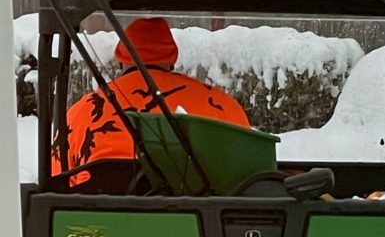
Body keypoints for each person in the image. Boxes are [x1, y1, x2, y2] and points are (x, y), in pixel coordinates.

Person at [53, 16, 250, 173]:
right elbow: (247, 175)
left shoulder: (83, 111)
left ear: (121, 62)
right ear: (172, 61)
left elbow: (57, 181)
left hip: (100, 221)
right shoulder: (221, 105)